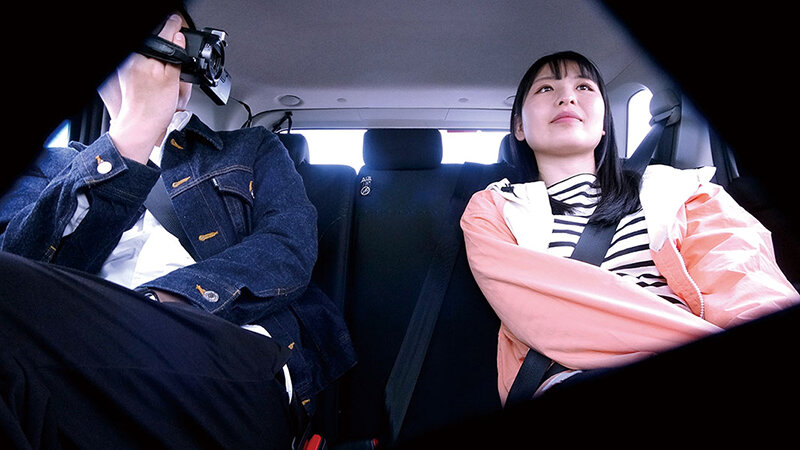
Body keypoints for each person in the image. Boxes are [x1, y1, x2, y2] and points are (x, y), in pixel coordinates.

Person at [0, 8, 354, 449]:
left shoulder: (250, 147)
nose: (169, 57)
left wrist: (159, 303)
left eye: (182, 45)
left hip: (227, 353)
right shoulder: (47, 170)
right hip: (68, 365)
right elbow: (23, 283)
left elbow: (289, 246)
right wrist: (133, 134)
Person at [460, 51, 799, 405]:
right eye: (546, 88)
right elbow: (540, 310)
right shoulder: (492, 208)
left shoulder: (682, 190)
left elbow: (742, 278)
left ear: (604, 123)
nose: (567, 97)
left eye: (584, 87)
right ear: (518, 127)